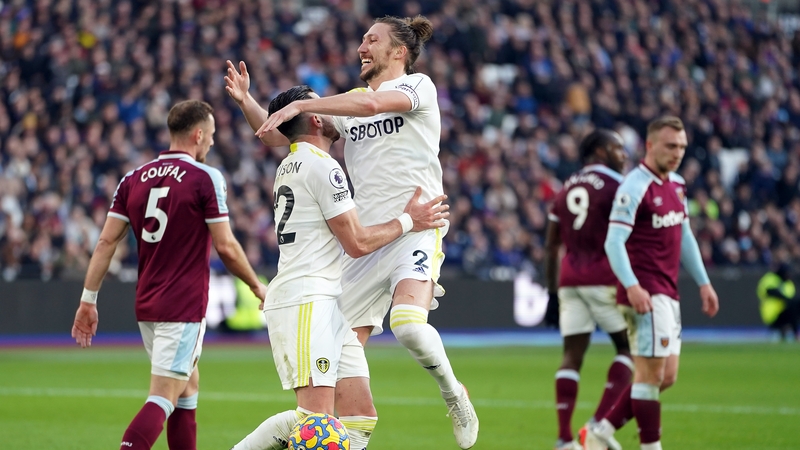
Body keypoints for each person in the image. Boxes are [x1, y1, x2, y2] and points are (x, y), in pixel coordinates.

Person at [225, 14, 479, 449]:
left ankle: (455, 394)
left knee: (408, 326)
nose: (362, 46)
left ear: (398, 51)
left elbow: (373, 106)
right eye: (362, 38)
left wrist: (305, 103)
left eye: (372, 39)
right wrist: (250, 103)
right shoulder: (347, 106)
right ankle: (323, 435)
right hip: (367, 240)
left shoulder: (418, 88)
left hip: (417, 223)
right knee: (344, 354)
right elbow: (287, 135)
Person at [71, 100, 268, 450]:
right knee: (163, 397)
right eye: (210, 135)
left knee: (187, 388)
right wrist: (256, 285)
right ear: (197, 134)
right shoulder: (205, 178)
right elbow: (225, 246)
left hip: (147, 305)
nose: (211, 142)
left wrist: (88, 299)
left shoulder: (132, 179)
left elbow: (105, 242)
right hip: (183, 306)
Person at [585, 116, 720, 450]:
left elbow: (684, 234)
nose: (677, 153)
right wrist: (631, 285)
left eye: (682, 147)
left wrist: (703, 282)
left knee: (666, 376)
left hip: (667, 291)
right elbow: (613, 242)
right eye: (670, 146)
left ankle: (600, 431)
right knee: (649, 378)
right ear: (650, 145)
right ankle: (650, 446)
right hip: (645, 292)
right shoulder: (634, 186)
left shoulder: (675, 183)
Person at [543, 129, 633, 450]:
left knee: (571, 357)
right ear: (598, 150)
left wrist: (552, 293)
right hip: (604, 278)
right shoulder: (617, 186)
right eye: (617, 148)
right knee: (631, 350)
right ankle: (596, 427)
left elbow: (552, 245)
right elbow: (627, 238)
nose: (623, 154)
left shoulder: (564, 187)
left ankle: (564, 438)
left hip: (569, 279)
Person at [757, 263, 799, 341]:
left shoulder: (789, 283)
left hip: (783, 313)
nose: (789, 275)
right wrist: (786, 298)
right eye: (787, 273)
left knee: (795, 305)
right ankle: (795, 334)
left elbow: (791, 299)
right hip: (772, 314)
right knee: (793, 306)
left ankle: (789, 330)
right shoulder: (770, 278)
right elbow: (770, 291)